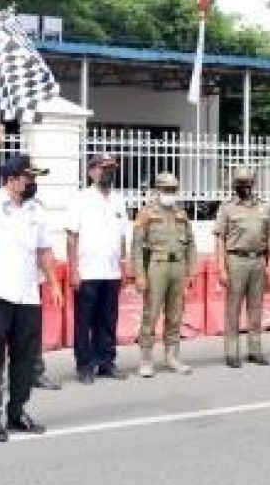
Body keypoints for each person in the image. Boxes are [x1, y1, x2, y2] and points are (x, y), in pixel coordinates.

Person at [0, 125, 62, 442]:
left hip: (27, 295)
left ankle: (17, 411)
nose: (34, 182)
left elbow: (44, 251)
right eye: (29, 177)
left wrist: (54, 284)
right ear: (11, 179)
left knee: (24, 359)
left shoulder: (36, 210)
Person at [66, 153, 130, 384]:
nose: (108, 172)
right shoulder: (80, 199)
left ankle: (106, 362)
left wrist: (124, 265)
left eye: (112, 168)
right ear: (92, 171)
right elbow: (72, 236)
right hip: (87, 271)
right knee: (85, 321)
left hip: (111, 272)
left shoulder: (119, 199)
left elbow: (123, 236)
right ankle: (85, 365)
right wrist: (73, 269)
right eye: (104, 168)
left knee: (108, 320)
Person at [131, 172, 197, 378]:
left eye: (173, 190)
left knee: (175, 314)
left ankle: (172, 356)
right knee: (151, 313)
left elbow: (191, 244)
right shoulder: (146, 213)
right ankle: (146, 359)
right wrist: (139, 275)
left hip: (177, 266)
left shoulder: (181, 214)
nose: (170, 194)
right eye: (166, 190)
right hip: (156, 266)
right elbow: (137, 247)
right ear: (157, 191)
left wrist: (191, 271)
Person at [214, 167, 270, 368]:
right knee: (233, 309)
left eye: (247, 182)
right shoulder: (227, 208)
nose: (244, 186)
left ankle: (255, 350)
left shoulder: (264, 207)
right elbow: (219, 239)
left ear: (253, 184)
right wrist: (221, 268)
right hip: (236, 261)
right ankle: (232, 353)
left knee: (256, 308)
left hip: (259, 261)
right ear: (234, 185)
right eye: (240, 183)